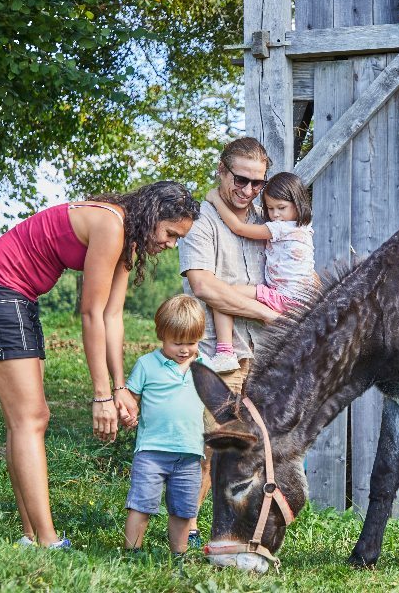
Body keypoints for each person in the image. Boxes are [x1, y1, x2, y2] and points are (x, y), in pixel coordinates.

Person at [0, 181, 200, 548]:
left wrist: (120, 388)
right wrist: (100, 395)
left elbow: (113, 316)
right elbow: (90, 314)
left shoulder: (129, 237)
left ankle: (31, 535)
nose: (171, 244)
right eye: (171, 234)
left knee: (24, 419)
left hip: (19, 298)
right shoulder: (112, 226)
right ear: (154, 215)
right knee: (30, 418)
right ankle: (45, 539)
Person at [178, 136, 279, 543]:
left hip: (267, 354)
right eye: (241, 179)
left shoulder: (268, 216)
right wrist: (269, 313)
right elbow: (205, 286)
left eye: (257, 183)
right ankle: (186, 533)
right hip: (221, 359)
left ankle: (243, 528)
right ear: (222, 172)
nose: (249, 190)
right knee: (208, 452)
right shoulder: (201, 220)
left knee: (259, 452)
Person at [122, 295, 213, 554]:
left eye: (192, 342)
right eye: (177, 343)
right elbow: (132, 399)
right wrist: (128, 413)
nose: (185, 349)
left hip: (190, 454)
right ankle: (132, 553)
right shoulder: (147, 365)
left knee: (184, 510)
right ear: (162, 335)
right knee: (142, 505)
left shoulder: (203, 366)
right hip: (152, 452)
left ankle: (179, 555)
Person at [204, 171, 315, 372]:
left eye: (281, 208)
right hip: (301, 303)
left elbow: (238, 227)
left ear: (298, 205)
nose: (275, 215)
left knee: (223, 295)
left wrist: (215, 199)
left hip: (283, 298)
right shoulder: (305, 229)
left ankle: (225, 353)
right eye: (270, 208)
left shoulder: (281, 228)